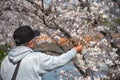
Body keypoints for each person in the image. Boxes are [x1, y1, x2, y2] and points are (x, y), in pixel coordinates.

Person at [0, 25, 83, 80]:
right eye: (34, 40)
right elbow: (59, 61)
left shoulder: (5, 60)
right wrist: (75, 50)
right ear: (31, 43)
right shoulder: (36, 58)